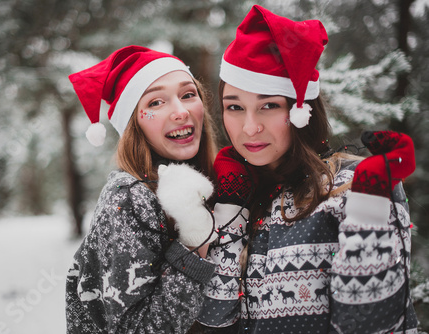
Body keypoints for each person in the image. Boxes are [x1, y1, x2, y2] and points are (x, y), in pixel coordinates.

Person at [196, 5, 418, 333]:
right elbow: (214, 314)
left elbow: (371, 322)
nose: (249, 128)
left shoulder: (354, 186)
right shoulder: (242, 195)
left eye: (269, 105)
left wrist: (370, 204)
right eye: (235, 107)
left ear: (302, 109)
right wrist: (231, 204)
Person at [65, 45, 220, 333]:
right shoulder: (128, 199)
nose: (180, 111)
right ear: (133, 123)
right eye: (156, 103)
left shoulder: (213, 184)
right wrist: (192, 243)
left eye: (188, 94)